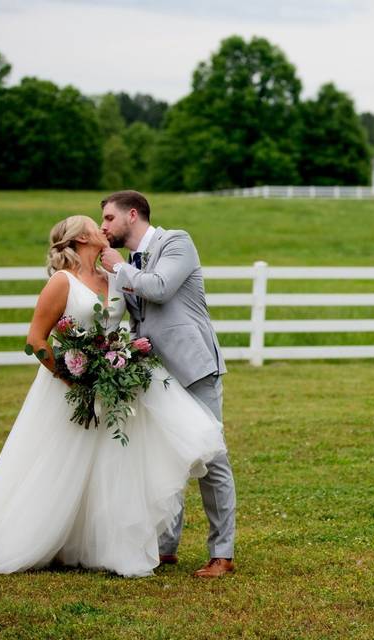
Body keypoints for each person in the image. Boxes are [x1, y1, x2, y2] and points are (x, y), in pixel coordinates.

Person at [0, 215, 226, 577]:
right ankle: (30, 535)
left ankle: (107, 545)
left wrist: (120, 360)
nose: (104, 228)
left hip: (111, 386)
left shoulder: (112, 278)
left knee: (109, 468)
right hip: (68, 388)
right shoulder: (63, 282)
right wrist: (69, 376)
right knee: (57, 464)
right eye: (97, 223)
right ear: (81, 237)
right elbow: (35, 341)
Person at [99, 191, 236, 579]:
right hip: (156, 374)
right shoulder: (127, 263)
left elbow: (159, 288)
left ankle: (222, 553)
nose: (103, 227)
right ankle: (165, 547)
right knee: (163, 457)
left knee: (211, 458)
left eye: (109, 219)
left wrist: (119, 270)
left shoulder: (176, 241)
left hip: (194, 367)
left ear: (132, 215)